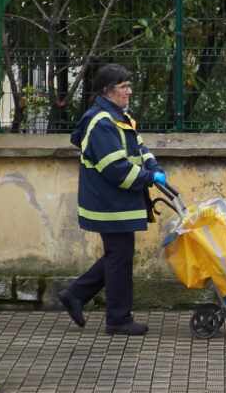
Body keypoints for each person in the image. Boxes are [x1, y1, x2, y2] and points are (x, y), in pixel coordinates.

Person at [58, 63, 165, 335]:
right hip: (109, 204)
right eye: (123, 87)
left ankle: (76, 294)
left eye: (129, 85)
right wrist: (147, 178)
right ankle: (117, 319)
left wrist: (153, 167)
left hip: (118, 203)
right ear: (107, 91)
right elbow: (115, 168)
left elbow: (139, 147)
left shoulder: (119, 116)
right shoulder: (102, 122)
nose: (129, 91)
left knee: (118, 255)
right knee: (119, 257)